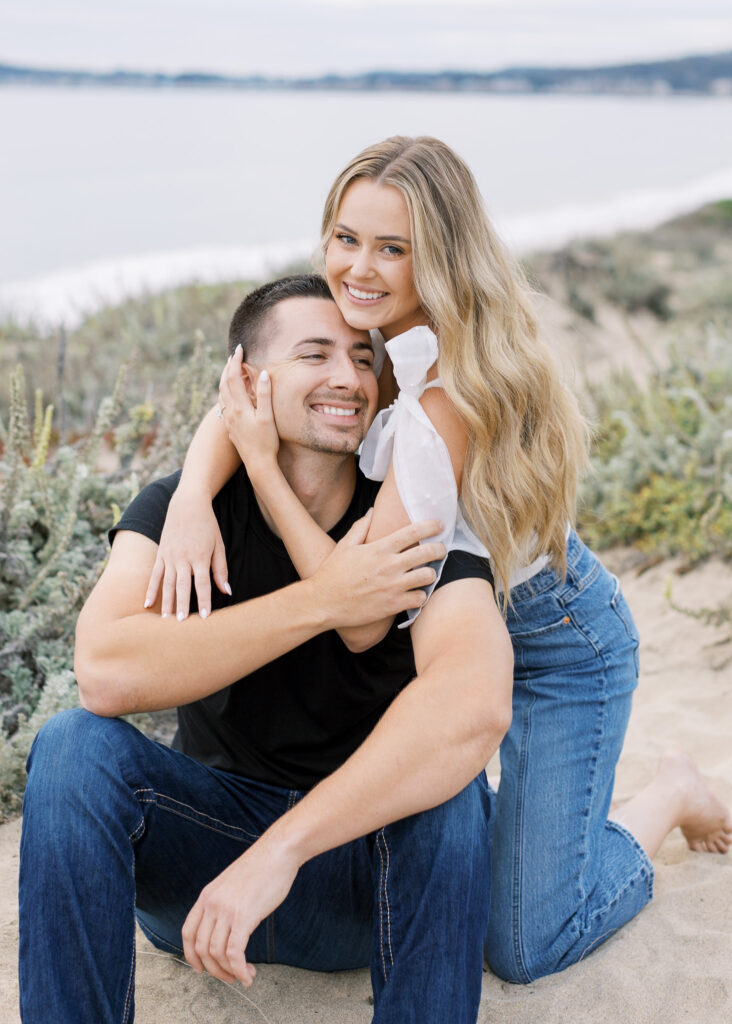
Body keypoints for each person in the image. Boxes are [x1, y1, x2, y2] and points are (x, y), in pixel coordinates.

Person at [152, 136, 732, 987]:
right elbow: (247, 394)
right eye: (346, 238)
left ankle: (669, 793)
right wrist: (190, 502)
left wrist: (264, 471)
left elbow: (358, 614)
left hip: (559, 642)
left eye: (393, 248)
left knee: (526, 943)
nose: (359, 267)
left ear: (443, 254)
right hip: (457, 632)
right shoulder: (377, 339)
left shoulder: (445, 396)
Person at [18, 274, 513, 1024]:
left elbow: (475, 709)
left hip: (361, 865)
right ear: (248, 382)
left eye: (361, 357)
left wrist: (280, 851)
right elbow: (105, 672)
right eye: (316, 354)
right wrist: (323, 601)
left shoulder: (411, 512)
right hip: (206, 869)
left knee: (451, 794)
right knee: (72, 746)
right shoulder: (188, 512)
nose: (347, 377)